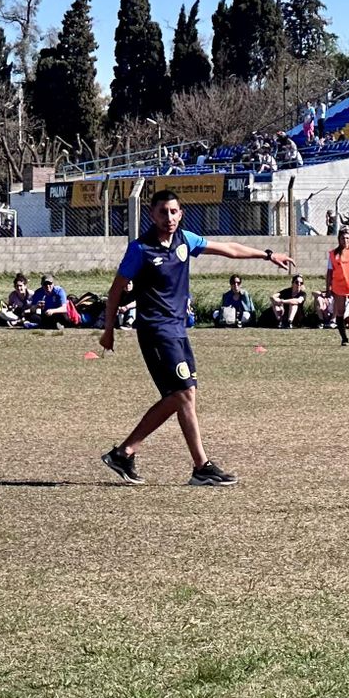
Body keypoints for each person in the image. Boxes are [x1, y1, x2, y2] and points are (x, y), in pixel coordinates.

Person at [98, 189, 293, 487]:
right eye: (163, 212)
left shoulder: (185, 240)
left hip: (178, 330)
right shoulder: (140, 249)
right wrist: (109, 330)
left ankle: (124, 452)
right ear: (151, 214)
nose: (169, 218)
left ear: (181, 213)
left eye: (174, 211)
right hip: (156, 331)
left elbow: (228, 248)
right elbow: (115, 291)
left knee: (181, 397)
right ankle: (200, 466)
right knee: (184, 394)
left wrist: (267, 255)